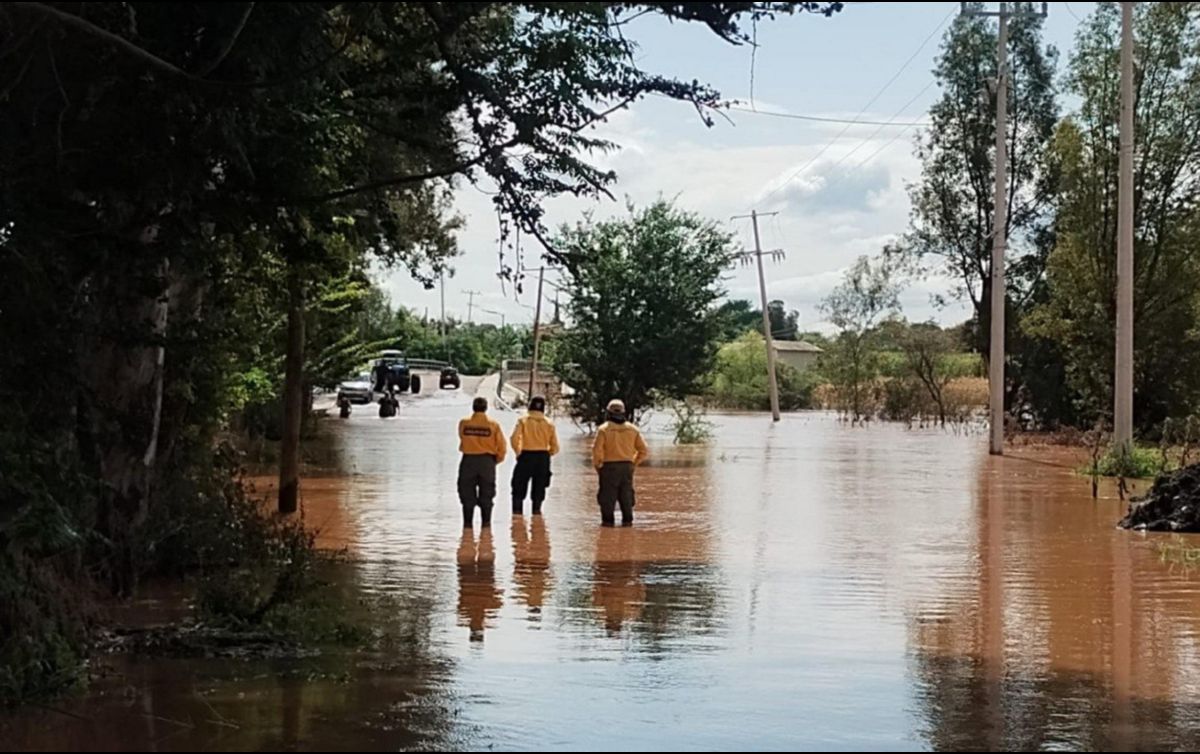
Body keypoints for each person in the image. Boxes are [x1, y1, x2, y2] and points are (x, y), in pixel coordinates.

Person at [591, 398, 648, 527]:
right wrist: (633, 464)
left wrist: (598, 466)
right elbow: (643, 450)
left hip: (608, 467)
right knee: (626, 498)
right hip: (627, 467)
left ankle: (607, 526)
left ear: (608, 413)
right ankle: (627, 526)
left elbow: (596, 451)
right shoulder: (633, 429)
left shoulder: (603, 429)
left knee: (607, 500)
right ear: (623, 413)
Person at [457, 396, 507, 529]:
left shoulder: (464, 423)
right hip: (487, 462)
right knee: (487, 495)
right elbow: (502, 447)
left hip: (468, 461)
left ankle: (467, 526)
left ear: (473, 408)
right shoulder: (493, 425)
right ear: (486, 408)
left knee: (466, 494)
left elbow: (461, 436)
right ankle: (486, 527)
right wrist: (495, 461)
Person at [509, 395, 559, 515]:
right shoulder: (549, 423)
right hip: (543, 457)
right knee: (539, 489)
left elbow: (514, 439)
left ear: (530, 405)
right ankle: (536, 515)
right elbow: (555, 447)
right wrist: (548, 454)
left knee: (518, 489)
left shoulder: (523, 421)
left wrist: (518, 452)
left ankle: (517, 517)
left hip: (526, 456)